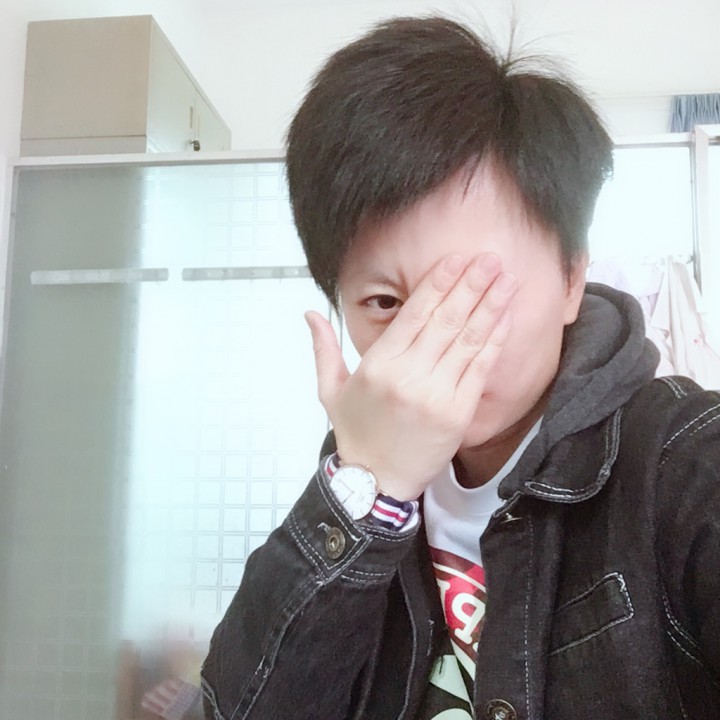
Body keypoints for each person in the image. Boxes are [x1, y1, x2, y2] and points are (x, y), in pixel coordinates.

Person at [200, 16, 720, 720]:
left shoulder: (684, 462)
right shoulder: (353, 484)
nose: (436, 341)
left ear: (571, 277)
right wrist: (365, 497)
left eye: (479, 292)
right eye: (385, 302)